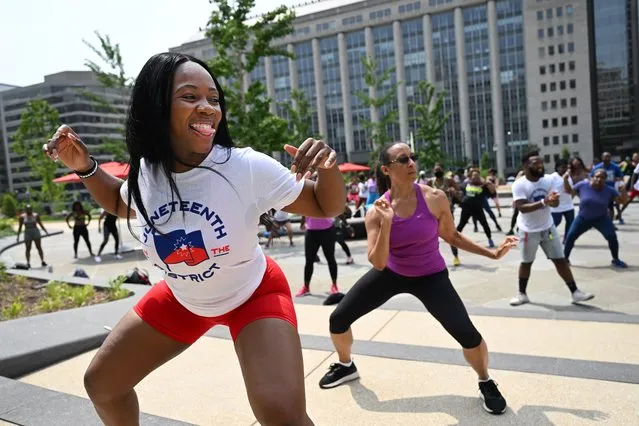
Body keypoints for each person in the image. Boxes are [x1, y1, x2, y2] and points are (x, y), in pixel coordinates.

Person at [44, 52, 346, 425]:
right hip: (183, 298)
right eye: (190, 97)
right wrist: (86, 168)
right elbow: (121, 203)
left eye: (214, 99)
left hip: (253, 294)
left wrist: (329, 168)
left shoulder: (244, 167)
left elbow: (325, 205)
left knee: (280, 413)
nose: (208, 109)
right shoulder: (147, 174)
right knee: (102, 384)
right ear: (156, 108)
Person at [318, 142, 518, 415]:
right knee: (338, 320)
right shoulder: (377, 211)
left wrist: (493, 254)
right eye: (403, 159)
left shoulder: (435, 198)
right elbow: (377, 262)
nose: (412, 162)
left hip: (431, 276)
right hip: (390, 273)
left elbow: (452, 236)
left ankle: (485, 380)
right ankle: (345, 365)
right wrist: (388, 222)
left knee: (467, 334)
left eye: (413, 157)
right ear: (387, 169)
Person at [509, 151, 594, 307]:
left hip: (547, 228)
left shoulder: (548, 180)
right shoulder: (519, 184)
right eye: (535, 163)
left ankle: (575, 293)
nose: (540, 165)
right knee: (526, 262)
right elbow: (522, 207)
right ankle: (522, 294)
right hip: (528, 230)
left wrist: (553, 202)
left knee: (560, 260)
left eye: (541, 162)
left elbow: (554, 201)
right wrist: (544, 201)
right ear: (526, 166)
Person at [563, 169, 628, 268]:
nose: (599, 179)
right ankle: (565, 259)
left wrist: (623, 191)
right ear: (592, 177)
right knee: (570, 236)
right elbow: (569, 191)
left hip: (601, 219)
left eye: (602, 177)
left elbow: (622, 201)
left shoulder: (609, 190)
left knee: (612, 237)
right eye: (597, 176)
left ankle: (616, 259)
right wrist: (565, 181)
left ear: (605, 179)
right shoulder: (582, 186)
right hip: (583, 218)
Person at [427, 164, 462, 266]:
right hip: (433, 212)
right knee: (432, 235)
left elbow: (458, 189)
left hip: (447, 210)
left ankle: (456, 257)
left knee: (450, 234)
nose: (437, 171)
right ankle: (432, 258)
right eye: (436, 170)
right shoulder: (430, 182)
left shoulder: (448, 181)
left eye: (439, 170)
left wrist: (453, 191)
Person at [297, 213, 339, 297]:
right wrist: (302, 223)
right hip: (311, 231)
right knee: (309, 260)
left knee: (330, 258)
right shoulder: (307, 199)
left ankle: (334, 285)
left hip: (327, 230)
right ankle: (306, 287)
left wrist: (346, 225)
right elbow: (303, 211)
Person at [454, 169, 496, 252]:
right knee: (461, 224)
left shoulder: (484, 186)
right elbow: (458, 191)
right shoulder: (466, 184)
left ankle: (490, 240)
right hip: (466, 208)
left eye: (477, 176)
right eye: (474, 176)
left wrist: (490, 185)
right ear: (470, 177)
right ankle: (454, 240)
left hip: (477, 208)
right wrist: (460, 202)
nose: (475, 178)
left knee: (484, 224)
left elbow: (493, 193)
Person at [590, 152, 624, 224]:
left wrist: (617, 179)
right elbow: (591, 176)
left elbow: (621, 177)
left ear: (610, 158)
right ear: (602, 158)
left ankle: (610, 223)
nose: (606, 158)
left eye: (608, 157)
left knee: (610, 207)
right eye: (605, 157)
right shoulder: (597, 167)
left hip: (610, 190)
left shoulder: (615, 167)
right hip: (598, 190)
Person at [549, 159, 574, 243]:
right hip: (557, 206)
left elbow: (569, 191)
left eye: (566, 167)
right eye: (562, 167)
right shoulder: (552, 177)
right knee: (555, 223)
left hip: (568, 205)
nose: (564, 169)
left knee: (570, 224)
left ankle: (567, 240)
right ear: (557, 167)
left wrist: (565, 180)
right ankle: (548, 237)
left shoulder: (567, 177)